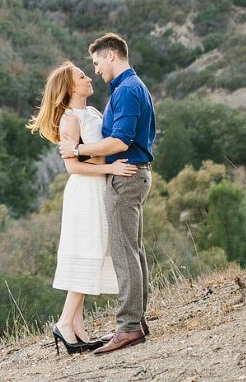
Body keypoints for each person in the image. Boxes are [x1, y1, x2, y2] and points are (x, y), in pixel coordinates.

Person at [28, 61, 137, 355]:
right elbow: (72, 167)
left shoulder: (92, 112)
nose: (90, 78)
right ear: (69, 87)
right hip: (85, 191)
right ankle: (65, 324)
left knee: (93, 251)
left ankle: (76, 327)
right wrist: (111, 169)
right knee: (88, 251)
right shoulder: (69, 119)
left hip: (97, 188)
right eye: (82, 76)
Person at [58, 32, 155, 355]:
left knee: (125, 253)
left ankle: (128, 327)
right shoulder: (128, 88)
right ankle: (135, 321)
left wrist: (79, 148)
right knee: (133, 250)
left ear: (111, 56)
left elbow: (120, 142)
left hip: (126, 176)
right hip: (128, 175)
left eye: (96, 63)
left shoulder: (127, 90)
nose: (96, 71)